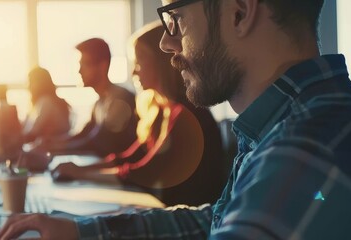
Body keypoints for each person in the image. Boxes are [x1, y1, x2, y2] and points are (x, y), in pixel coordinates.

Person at [0, 0, 351, 239]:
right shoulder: (293, 122)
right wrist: (83, 232)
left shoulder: (306, 150)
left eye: (176, 18)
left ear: (239, 12)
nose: (166, 43)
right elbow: (215, 221)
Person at [52, 21, 227, 206]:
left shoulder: (185, 115)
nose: (133, 71)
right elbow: (129, 157)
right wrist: (80, 169)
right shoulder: (160, 110)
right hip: (168, 207)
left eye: (139, 61)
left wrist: (80, 173)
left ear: (160, 62)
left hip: (191, 219)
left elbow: (143, 172)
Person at [46, 38, 138, 157]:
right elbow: (85, 134)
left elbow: (97, 142)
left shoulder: (119, 99)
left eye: (85, 64)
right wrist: (52, 142)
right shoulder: (100, 101)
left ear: (102, 66)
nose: (79, 71)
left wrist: (52, 149)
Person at [21, 67, 71, 147]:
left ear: (42, 82)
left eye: (31, 82)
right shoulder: (41, 103)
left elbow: (33, 133)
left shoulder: (46, 102)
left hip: (53, 151)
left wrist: (13, 140)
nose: (29, 86)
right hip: (51, 150)